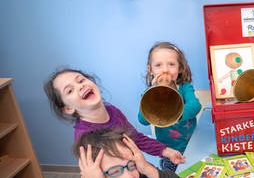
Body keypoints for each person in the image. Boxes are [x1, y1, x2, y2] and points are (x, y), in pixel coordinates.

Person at [43, 68, 185, 165]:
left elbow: (135, 138)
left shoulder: (112, 111)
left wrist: (166, 151)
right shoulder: (85, 139)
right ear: (68, 108)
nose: (80, 86)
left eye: (81, 80)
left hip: (136, 172)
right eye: (70, 90)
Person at [138, 42, 202, 171]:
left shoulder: (184, 87)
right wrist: (152, 92)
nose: (165, 70)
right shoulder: (150, 94)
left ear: (180, 69)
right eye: (158, 65)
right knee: (172, 176)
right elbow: (143, 120)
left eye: (171, 64)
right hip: (168, 150)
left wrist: (175, 114)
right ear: (150, 70)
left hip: (191, 144)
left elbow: (195, 105)